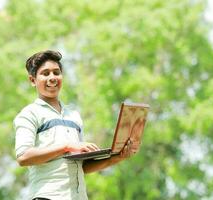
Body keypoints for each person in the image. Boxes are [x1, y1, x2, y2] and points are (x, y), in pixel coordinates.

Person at [14, 50, 139, 200]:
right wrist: (67, 146)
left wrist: (117, 157)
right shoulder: (29, 113)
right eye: (45, 73)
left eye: (56, 72)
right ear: (33, 80)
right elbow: (23, 157)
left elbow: (83, 166)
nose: (52, 77)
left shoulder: (73, 115)